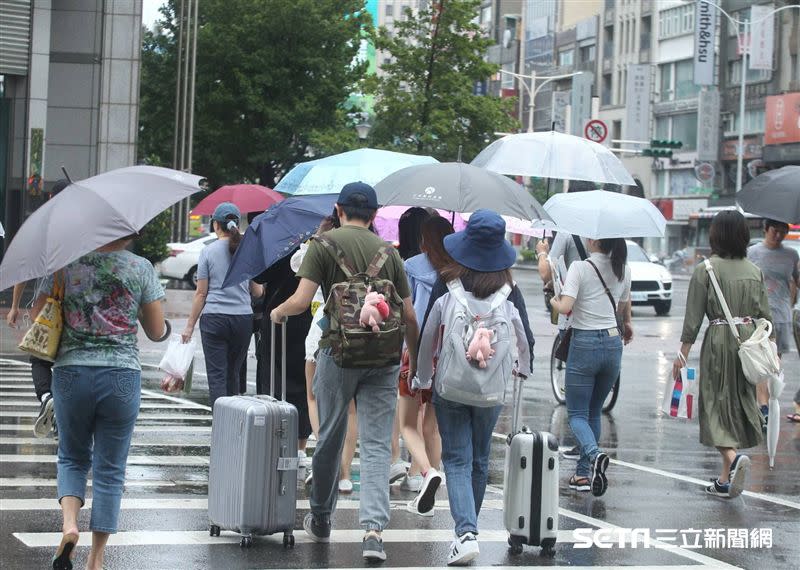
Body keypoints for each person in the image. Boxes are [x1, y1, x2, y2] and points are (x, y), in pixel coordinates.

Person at [270, 182, 419, 563]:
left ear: (338, 210)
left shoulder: (323, 246)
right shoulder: (390, 254)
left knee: (331, 437)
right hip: (384, 358)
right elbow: (410, 313)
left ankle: (321, 516)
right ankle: (372, 531)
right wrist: (413, 359)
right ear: (373, 214)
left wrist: (278, 311)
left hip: (336, 354)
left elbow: (302, 301)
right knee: (374, 444)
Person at [36, 234, 168, 570]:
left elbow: (38, 314)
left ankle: (69, 526)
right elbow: (155, 331)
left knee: (71, 456)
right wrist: (163, 326)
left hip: (71, 372)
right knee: (110, 469)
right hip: (121, 375)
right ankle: (96, 558)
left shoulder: (63, 266)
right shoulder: (140, 268)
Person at [415, 210, 534, 566]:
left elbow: (426, 337)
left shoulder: (447, 282)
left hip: (450, 386)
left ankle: (465, 533)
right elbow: (525, 339)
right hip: (491, 390)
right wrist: (523, 372)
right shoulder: (509, 290)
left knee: (456, 458)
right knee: (480, 461)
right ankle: (469, 530)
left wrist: (421, 379)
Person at [673, 211, 769, 499]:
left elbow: (693, 320)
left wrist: (681, 357)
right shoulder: (755, 271)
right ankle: (725, 479)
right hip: (749, 344)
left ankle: (732, 457)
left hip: (718, 341)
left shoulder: (707, 270)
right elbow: (765, 317)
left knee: (714, 405)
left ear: (716, 235)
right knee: (738, 404)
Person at [550, 236, 633, 497]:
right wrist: (628, 324)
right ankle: (583, 475)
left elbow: (565, 307)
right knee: (594, 411)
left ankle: (594, 454)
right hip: (612, 344)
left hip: (585, 342)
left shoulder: (580, 267)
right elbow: (622, 309)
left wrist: (555, 298)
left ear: (596, 239)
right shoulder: (623, 268)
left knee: (576, 414)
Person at [181, 203, 264, 410]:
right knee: (233, 375)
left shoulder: (208, 252)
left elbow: (201, 293)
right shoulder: (248, 250)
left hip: (214, 318)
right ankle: (234, 426)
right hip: (242, 319)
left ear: (216, 225)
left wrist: (189, 326)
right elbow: (258, 292)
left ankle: (219, 428)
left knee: (217, 376)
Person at [6, 179, 70, 437]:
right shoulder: (83, 228)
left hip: (46, 306)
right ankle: (62, 412)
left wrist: (14, 306)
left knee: (40, 357)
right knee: (68, 360)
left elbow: (23, 269)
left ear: (51, 198)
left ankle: (46, 397)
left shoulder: (41, 228)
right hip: (77, 305)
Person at [535, 182, 594, 460]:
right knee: (595, 395)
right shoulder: (606, 233)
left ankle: (584, 448)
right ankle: (589, 452)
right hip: (605, 320)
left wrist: (542, 252)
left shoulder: (569, 231)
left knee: (577, 389)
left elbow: (547, 274)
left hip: (573, 317)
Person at [399, 216, 453, 515]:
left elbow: (407, 313)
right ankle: (428, 494)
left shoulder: (411, 266)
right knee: (432, 427)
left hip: (416, 348)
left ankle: (427, 473)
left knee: (406, 422)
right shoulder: (457, 269)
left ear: (424, 240)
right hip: (445, 352)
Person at [252, 253, 313, 460]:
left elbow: (259, 276)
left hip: (278, 316)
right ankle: (301, 447)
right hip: (308, 318)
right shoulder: (320, 245)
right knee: (304, 381)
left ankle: (275, 439)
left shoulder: (281, 247)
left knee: (273, 378)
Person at [747, 219, 800, 426]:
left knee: (775, 363)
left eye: (782, 232)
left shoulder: (791, 255)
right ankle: (763, 406)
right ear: (765, 229)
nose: (778, 236)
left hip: (782, 315)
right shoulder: (753, 252)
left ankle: (769, 402)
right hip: (758, 314)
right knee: (761, 361)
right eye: (774, 231)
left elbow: (797, 281)